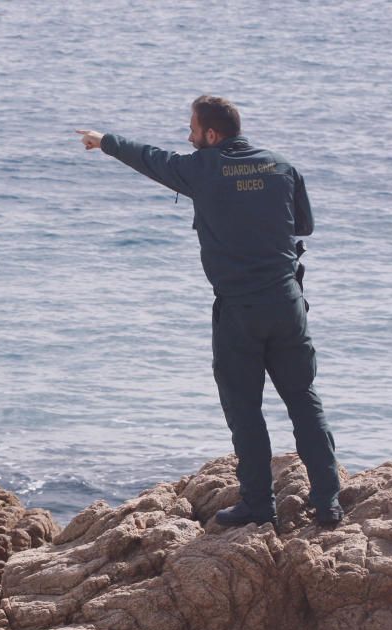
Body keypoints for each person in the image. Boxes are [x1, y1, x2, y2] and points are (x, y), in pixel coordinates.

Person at [76, 95, 343, 528]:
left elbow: (150, 159)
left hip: (239, 311)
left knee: (245, 410)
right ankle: (328, 504)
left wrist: (104, 140)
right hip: (288, 304)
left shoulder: (202, 169)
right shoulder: (281, 165)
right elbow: (303, 226)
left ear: (212, 135)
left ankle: (259, 505)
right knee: (304, 402)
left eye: (193, 130)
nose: (188, 136)